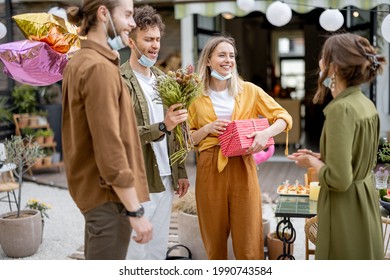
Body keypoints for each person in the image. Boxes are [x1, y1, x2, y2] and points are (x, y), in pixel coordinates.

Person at [62, 0, 152, 260]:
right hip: (110, 200)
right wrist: (135, 211)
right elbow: (109, 145)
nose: (133, 23)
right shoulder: (99, 68)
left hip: (99, 197)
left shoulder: (82, 61)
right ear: (103, 14)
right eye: (127, 15)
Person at [188, 35, 292, 260]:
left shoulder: (249, 91)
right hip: (209, 167)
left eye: (232, 56)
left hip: (243, 165)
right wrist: (207, 129)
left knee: (248, 239)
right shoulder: (194, 96)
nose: (228, 60)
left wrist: (265, 133)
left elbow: (283, 117)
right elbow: (186, 140)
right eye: (222, 55)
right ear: (208, 60)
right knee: (214, 241)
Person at [288, 33, 385, 260]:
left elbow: (340, 179)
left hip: (344, 209)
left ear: (334, 66)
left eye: (323, 57)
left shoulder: (340, 109)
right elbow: (357, 155)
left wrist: (312, 162)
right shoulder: (365, 104)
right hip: (364, 202)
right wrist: (324, 156)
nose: (320, 62)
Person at [120, 5, 190, 260]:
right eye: (147, 39)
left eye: (157, 39)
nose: (155, 45)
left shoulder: (165, 79)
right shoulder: (120, 81)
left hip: (166, 178)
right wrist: (162, 126)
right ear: (131, 41)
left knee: (158, 250)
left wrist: (180, 171)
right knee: (135, 251)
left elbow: (178, 129)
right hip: (140, 179)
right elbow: (121, 134)